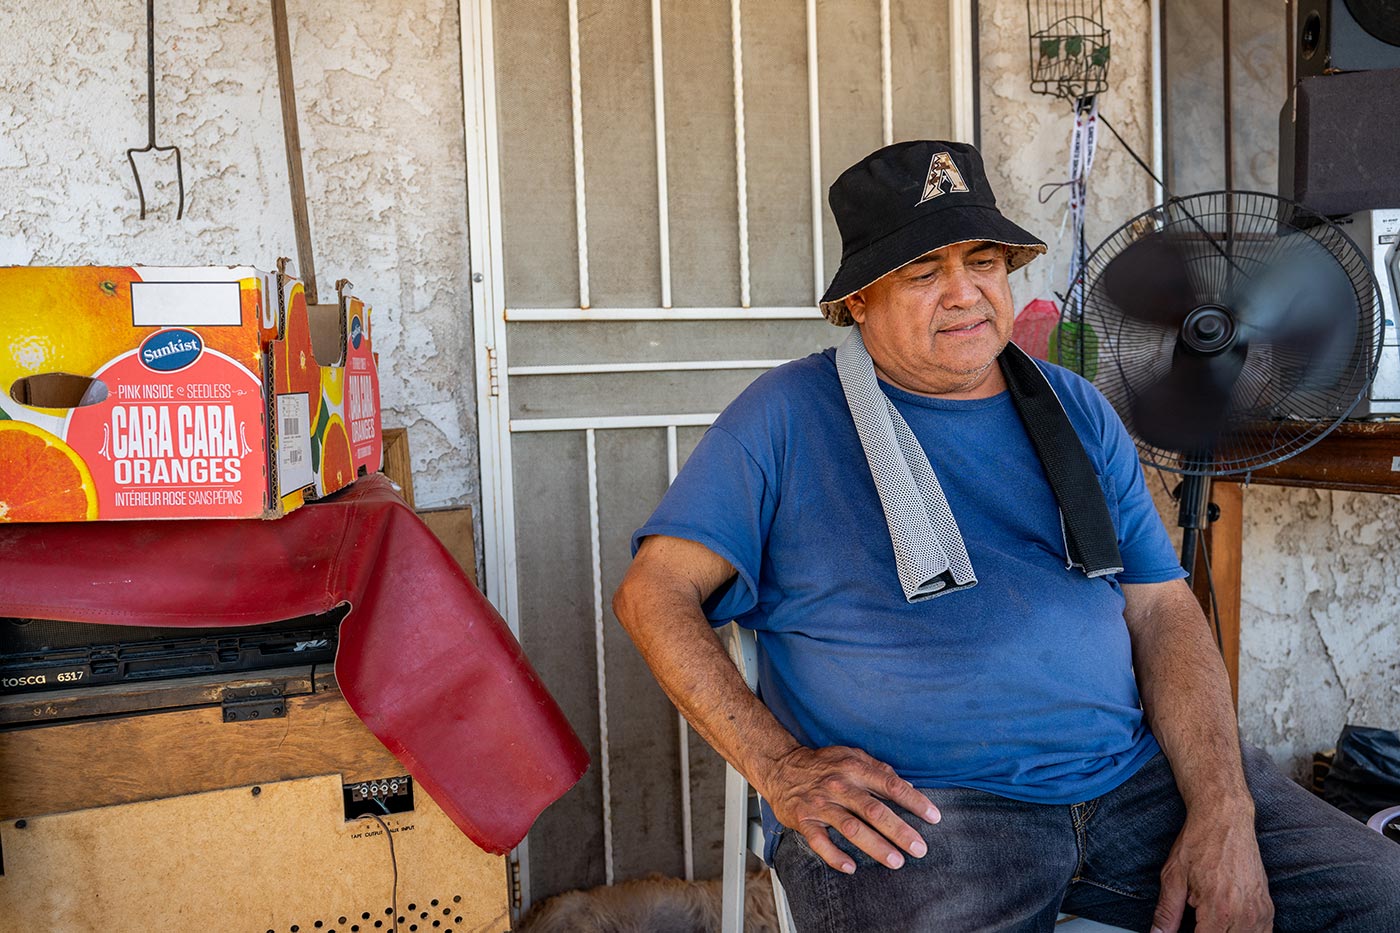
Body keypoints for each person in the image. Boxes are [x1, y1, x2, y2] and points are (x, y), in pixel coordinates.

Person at [612, 140, 1400, 933]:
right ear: (858, 302)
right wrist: (777, 766)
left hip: (1133, 783)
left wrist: (1223, 806)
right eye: (924, 273)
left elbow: (1161, 609)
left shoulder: (1076, 409)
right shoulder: (785, 416)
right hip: (924, 810)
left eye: (983, 262)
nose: (965, 294)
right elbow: (654, 590)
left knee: (1382, 898)